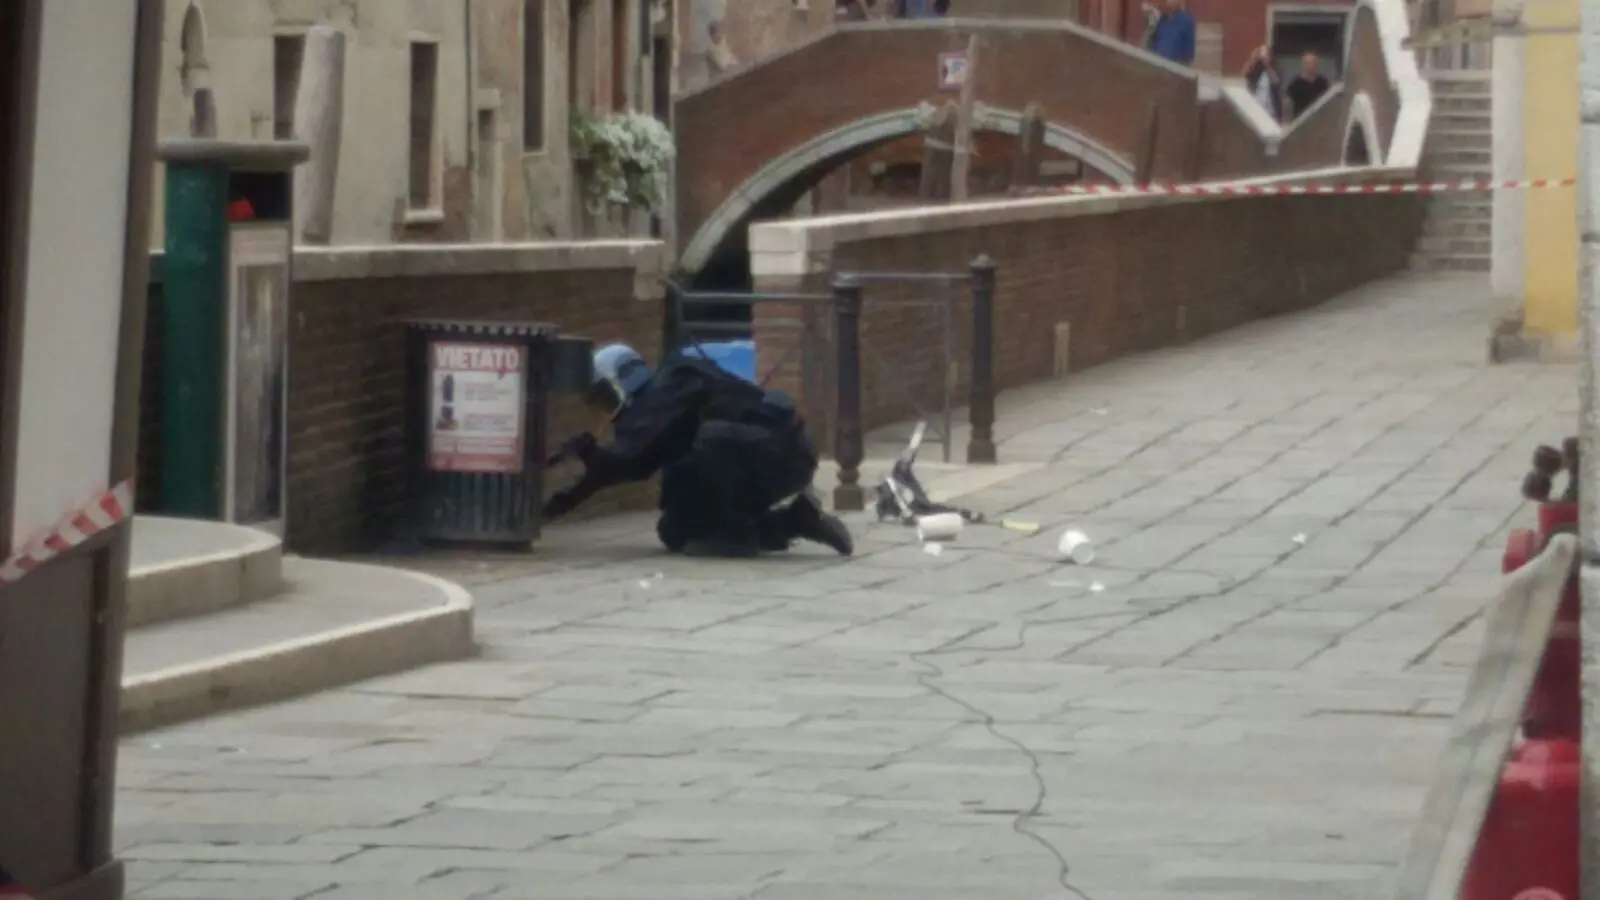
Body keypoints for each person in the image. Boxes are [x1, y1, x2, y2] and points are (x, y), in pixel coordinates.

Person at [543, 343, 854, 558]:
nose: (605, 409)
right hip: (757, 455)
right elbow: (629, 464)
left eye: (604, 397)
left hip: (782, 450)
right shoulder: (654, 409)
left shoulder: (670, 387)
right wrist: (554, 506)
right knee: (676, 531)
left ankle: (736, 535)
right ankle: (796, 521)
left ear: (621, 382)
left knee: (711, 439)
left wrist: (584, 460)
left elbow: (628, 457)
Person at [1146, 0, 1196, 67]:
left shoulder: (1186, 21)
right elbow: (1153, 43)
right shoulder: (1162, 19)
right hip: (1158, 64)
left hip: (1175, 66)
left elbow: (1188, 52)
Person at [1285, 51, 1331, 120]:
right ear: (1303, 65)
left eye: (1313, 63)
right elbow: (1287, 105)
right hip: (1301, 121)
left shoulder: (1322, 82)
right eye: (1308, 63)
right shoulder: (1295, 85)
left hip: (1319, 120)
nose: (1311, 66)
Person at [1243, 46, 1282, 123]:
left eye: (1267, 54)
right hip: (1257, 106)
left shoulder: (1275, 67)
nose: (1264, 57)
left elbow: (1276, 81)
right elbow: (1245, 74)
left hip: (1271, 108)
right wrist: (1252, 59)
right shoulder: (1256, 68)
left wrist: (1267, 65)